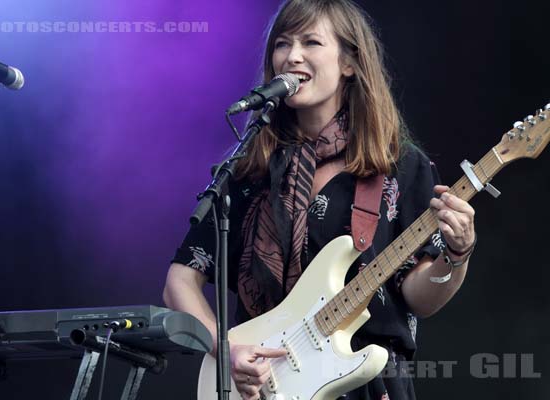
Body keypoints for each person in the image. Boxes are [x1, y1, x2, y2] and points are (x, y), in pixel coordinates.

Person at [163, 0, 476, 399]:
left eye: (311, 42)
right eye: (282, 43)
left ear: (349, 62)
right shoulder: (250, 169)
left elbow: (420, 299)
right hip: (262, 387)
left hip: (365, 384)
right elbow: (180, 280)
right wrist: (225, 351)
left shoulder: (399, 165)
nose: (292, 56)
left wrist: (457, 253)